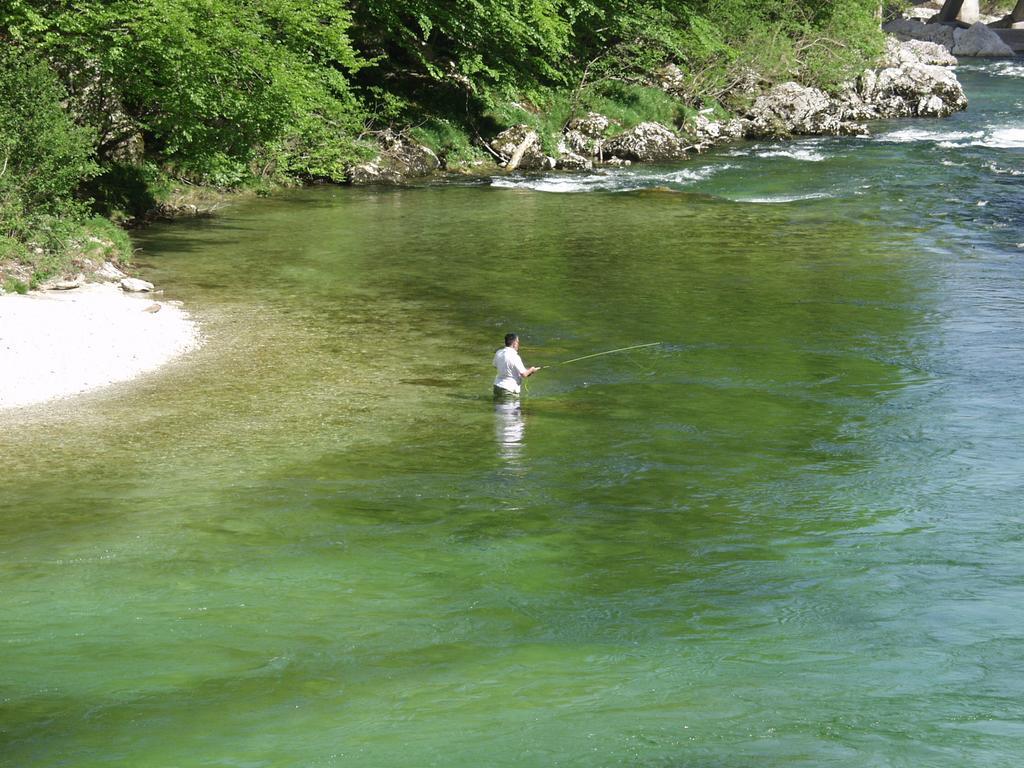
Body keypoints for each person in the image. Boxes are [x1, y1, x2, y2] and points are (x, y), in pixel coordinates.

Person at [493, 333, 540, 397]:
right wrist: (532, 369)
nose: (518, 345)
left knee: (498, 406)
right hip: (509, 390)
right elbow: (524, 374)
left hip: (497, 387)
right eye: (518, 342)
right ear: (514, 343)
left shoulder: (499, 352)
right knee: (512, 407)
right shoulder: (515, 356)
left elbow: (495, 365)